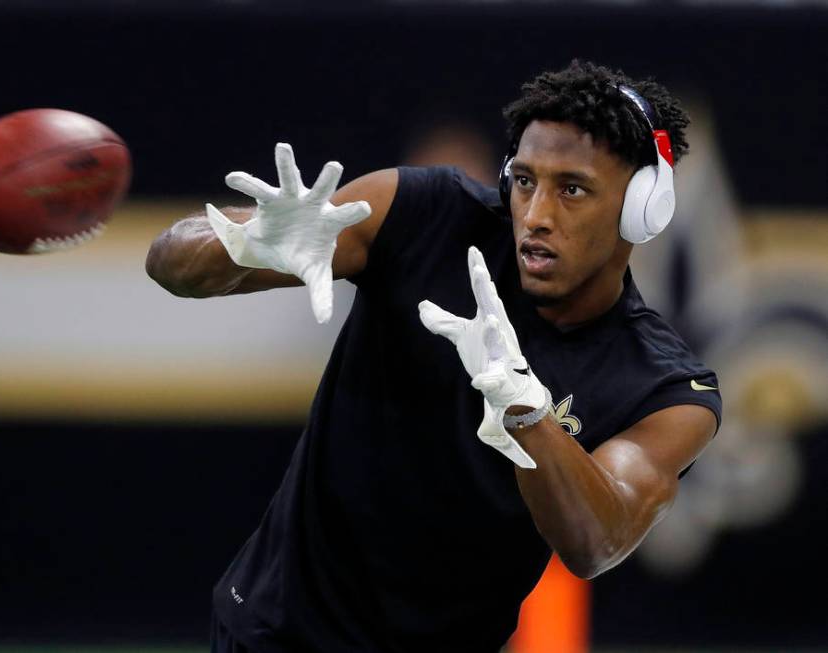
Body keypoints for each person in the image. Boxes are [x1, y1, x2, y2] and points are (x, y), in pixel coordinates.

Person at [146, 60, 722, 653]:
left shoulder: (667, 387)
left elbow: (595, 543)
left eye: (571, 189)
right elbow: (169, 264)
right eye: (524, 181)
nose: (538, 216)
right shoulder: (426, 213)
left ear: (643, 207)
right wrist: (243, 243)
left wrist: (524, 411)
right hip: (276, 632)